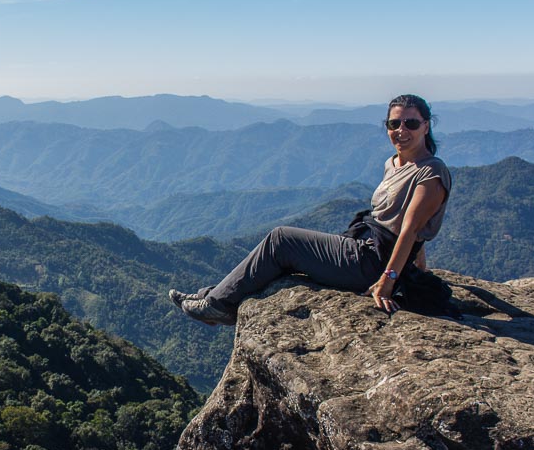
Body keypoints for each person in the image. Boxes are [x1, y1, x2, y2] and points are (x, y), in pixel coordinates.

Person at [171, 94, 451, 325]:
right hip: (363, 248)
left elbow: (411, 230)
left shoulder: (431, 173)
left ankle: (217, 305)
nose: (401, 130)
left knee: (282, 239)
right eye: (394, 123)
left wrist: (388, 280)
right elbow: (405, 220)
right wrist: (419, 267)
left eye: (411, 123)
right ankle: (216, 296)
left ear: (426, 126)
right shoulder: (394, 164)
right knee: (285, 251)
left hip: (371, 261)